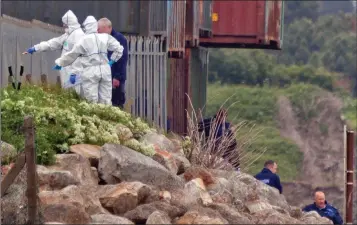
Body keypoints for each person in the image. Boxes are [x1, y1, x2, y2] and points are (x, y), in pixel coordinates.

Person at [53, 16, 124, 104]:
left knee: (91, 99)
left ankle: (93, 116)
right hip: (105, 70)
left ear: (86, 27)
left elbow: (72, 54)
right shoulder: (105, 37)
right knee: (106, 99)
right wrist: (112, 61)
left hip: (90, 71)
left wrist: (60, 63)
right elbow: (119, 48)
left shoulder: (84, 40)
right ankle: (105, 116)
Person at [23, 10, 84, 95]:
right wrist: (36, 48)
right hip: (67, 71)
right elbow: (53, 43)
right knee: (67, 96)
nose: (63, 25)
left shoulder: (78, 36)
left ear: (69, 23)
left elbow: (78, 56)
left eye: (65, 24)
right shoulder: (69, 35)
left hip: (74, 73)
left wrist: (75, 73)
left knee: (75, 96)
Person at [97, 17, 128, 109]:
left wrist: (117, 77)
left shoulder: (119, 39)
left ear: (108, 27)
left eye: (100, 29)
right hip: (105, 75)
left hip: (115, 76)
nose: (98, 32)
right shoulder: (101, 38)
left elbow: (122, 59)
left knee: (116, 102)